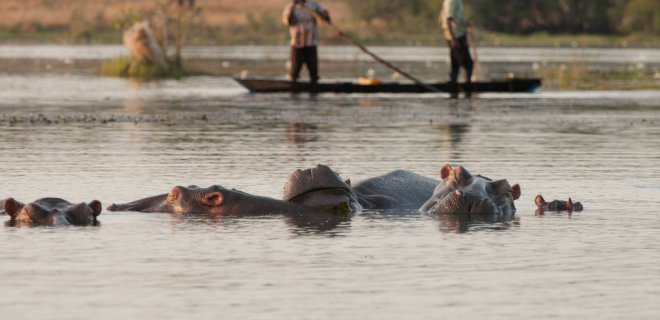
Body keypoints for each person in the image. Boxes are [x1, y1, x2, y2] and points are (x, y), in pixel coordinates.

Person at [282, 0, 331, 84]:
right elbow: (287, 20)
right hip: (297, 44)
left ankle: (314, 88)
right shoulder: (290, 7)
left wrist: (323, 15)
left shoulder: (314, 5)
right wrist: (294, 7)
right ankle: (293, 89)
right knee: (294, 73)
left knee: (314, 74)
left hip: (311, 43)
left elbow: (325, 17)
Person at [440, 0, 473, 98]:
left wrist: (466, 24)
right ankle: (467, 91)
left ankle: (455, 91)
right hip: (456, 36)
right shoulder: (452, 1)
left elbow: (456, 18)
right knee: (468, 65)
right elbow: (448, 19)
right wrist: (454, 39)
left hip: (457, 35)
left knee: (456, 65)